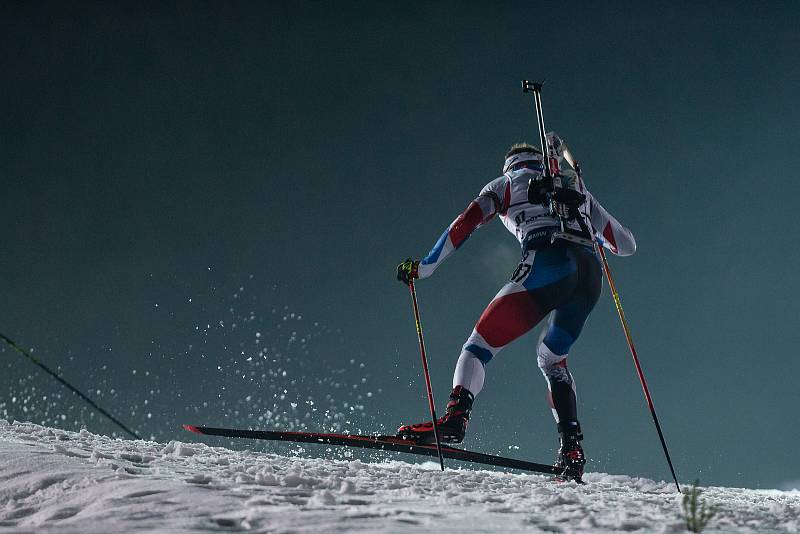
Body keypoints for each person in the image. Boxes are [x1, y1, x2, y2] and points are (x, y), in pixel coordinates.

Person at [395, 133, 636, 481]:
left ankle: (453, 422)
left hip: (549, 262)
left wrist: (424, 267)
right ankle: (572, 447)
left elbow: (467, 221)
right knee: (552, 359)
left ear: (511, 163)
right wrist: (586, 217)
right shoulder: (574, 188)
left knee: (477, 348)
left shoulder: (509, 182)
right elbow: (626, 245)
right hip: (588, 275)